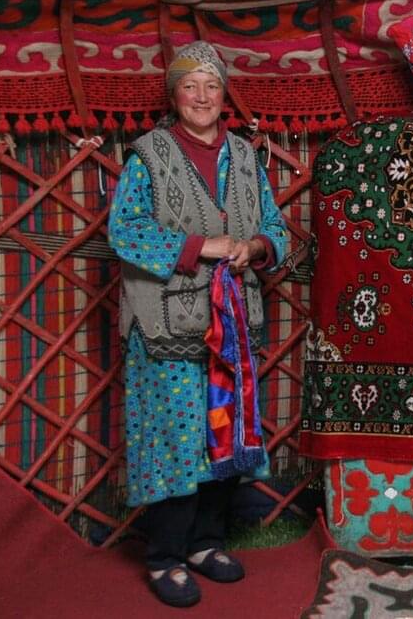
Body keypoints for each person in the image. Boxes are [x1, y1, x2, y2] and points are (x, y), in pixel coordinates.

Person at [108, 40, 290, 608]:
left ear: (223, 95)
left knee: (224, 433)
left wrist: (254, 247)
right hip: (165, 326)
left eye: (212, 86)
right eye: (191, 86)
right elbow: (125, 230)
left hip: (232, 323)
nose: (203, 97)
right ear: (175, 95)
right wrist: (200, 245)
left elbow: (277, 230)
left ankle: (206, 543)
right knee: (175, 440)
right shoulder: (148, 156)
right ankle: (164, 555)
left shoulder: (245, 157)